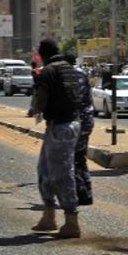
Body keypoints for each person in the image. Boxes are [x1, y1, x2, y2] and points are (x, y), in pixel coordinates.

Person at [32, 39, 82, 238]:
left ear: (42, 54)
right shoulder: (68, 68)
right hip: (67, 124)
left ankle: (71, 222)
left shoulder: (49, 70)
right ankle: (49, 217)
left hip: (61, 126)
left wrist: (36, 108)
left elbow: (41, 99)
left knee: (61, 174)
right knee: (44, 170)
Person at [65, 53, 94, 206]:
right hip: (87, 119)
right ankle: (87, 194)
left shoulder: (68, 76)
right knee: (80, 158)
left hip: (76, 120)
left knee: (72, 158)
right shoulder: (82, 73)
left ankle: (80, 193)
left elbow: (71, 99)